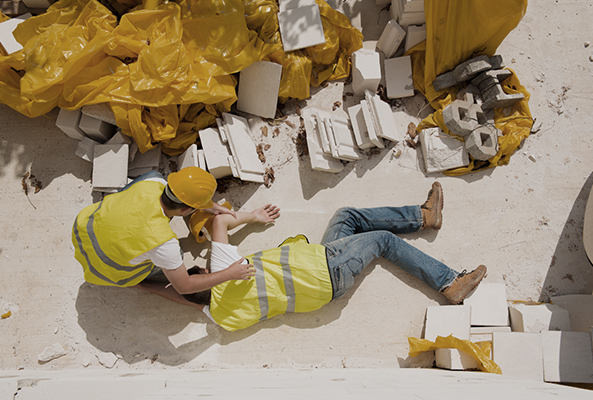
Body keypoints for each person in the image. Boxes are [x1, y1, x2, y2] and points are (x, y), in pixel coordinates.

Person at [184, 182, 487, 331]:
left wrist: (150, 286)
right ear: (204, 273)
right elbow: (219, 223)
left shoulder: (221, 317)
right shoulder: (222, 269)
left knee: (346, 217)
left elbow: (183, 294)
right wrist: (253, 215)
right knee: (383, 241)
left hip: (320, 284)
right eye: (200, 268)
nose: (203, 264)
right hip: (325, 268)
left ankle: (424, 216)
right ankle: (449, 282)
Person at [71, 166, 255, 305]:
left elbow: (179, 195)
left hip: (83, 231)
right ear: (186, 210)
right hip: (105, 270)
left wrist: (211, 206)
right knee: (178, 258)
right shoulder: (163, 243)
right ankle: (137, 277)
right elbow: (184, 286)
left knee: (145, 183)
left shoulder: (152, 182)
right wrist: (229, 273)